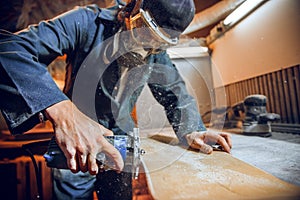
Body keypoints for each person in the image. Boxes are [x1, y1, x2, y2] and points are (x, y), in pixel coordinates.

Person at [0, 0, 232, 199]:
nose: (145, 46)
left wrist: (192, 129)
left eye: (157, 43)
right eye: (143, 30)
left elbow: (175, 93)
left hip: (121, 145)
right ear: (133, 8)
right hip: (78, 143)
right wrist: (65, 115)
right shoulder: (86, 22)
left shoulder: (153, 51)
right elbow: (9, 49)